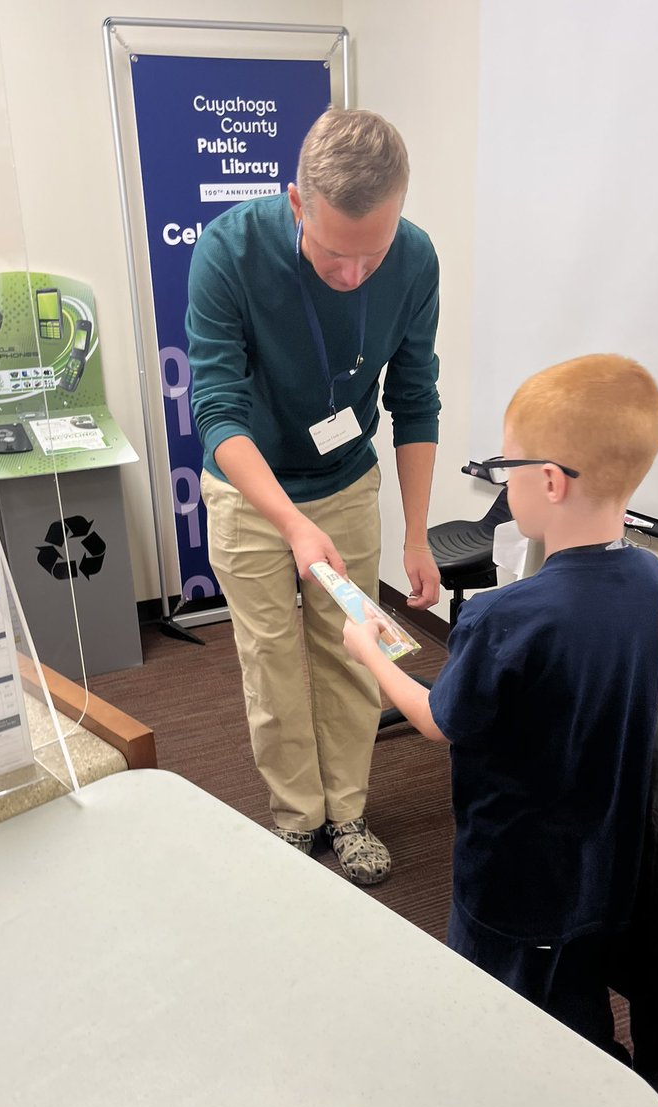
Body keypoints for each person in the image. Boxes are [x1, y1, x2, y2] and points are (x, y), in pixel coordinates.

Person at [343, 353, 658, 1055]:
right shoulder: (650, 580)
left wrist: (370, 651)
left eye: (504, 467)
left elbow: (439, 721)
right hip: (606, 861)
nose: (501, 481)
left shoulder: (507, 617)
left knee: (496, 1019)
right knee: (575, 1001)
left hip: (515, 876)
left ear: (549, 481)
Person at [186, 109, 441, 885]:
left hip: (343, 482)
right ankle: (297, 817)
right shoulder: (228, 252)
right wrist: (291, 523)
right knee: (270, 659)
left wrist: (417, 534)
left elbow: (416, 396)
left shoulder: (415, 258)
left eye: (375, 251)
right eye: (335, 253)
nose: (354, 274)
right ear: (297, 203)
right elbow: (218, 409)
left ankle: (349, 811)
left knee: (353, 653)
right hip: (249, 491)